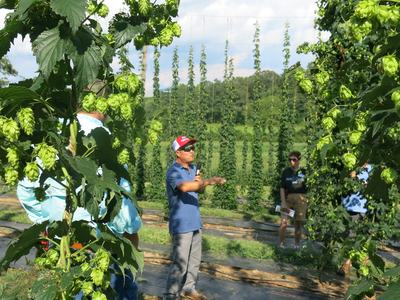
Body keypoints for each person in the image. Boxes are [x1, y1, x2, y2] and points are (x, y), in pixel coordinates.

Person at [17, 84, 141, 299]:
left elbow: (26, 187)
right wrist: (130, 237)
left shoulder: (49, 137)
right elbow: (122, 206)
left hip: (58, 242)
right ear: (105, 103)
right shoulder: (110, 143)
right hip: (99, 245)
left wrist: (47, 221)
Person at [164, 136, 226, 300]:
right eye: (187, 148)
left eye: (192, 148)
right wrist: (209, 181)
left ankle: (189, 288)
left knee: (194, 261)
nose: (192, 151)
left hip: (195, 221)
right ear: (178, 152)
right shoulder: (174, 171)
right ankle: (170, 294)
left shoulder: (193, 169)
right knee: (180, 263)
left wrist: (201, 184)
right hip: (181, 223)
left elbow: (198, 190)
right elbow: (184, 187)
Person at [338, 162, 372, 276]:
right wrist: (352, 175)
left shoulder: (371, 169)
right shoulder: (350, 166)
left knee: (365, 238)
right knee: (350, 237)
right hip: (351, 207)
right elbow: (344, 184)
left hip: (366, 208)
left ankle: (363, 267)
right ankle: (347, 263)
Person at [278, 151, 307, 249]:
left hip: (301, 199)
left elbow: (309, 187)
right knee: (283, 222)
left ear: (299, 160)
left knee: (298, 223)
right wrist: (283, 202)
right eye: (290, 160)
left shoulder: (304, 172)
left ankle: (296, 245)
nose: (291, 162)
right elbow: (282, 187)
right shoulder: (286, 172)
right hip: (288, 199)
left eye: (294, 160)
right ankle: (281, 244)